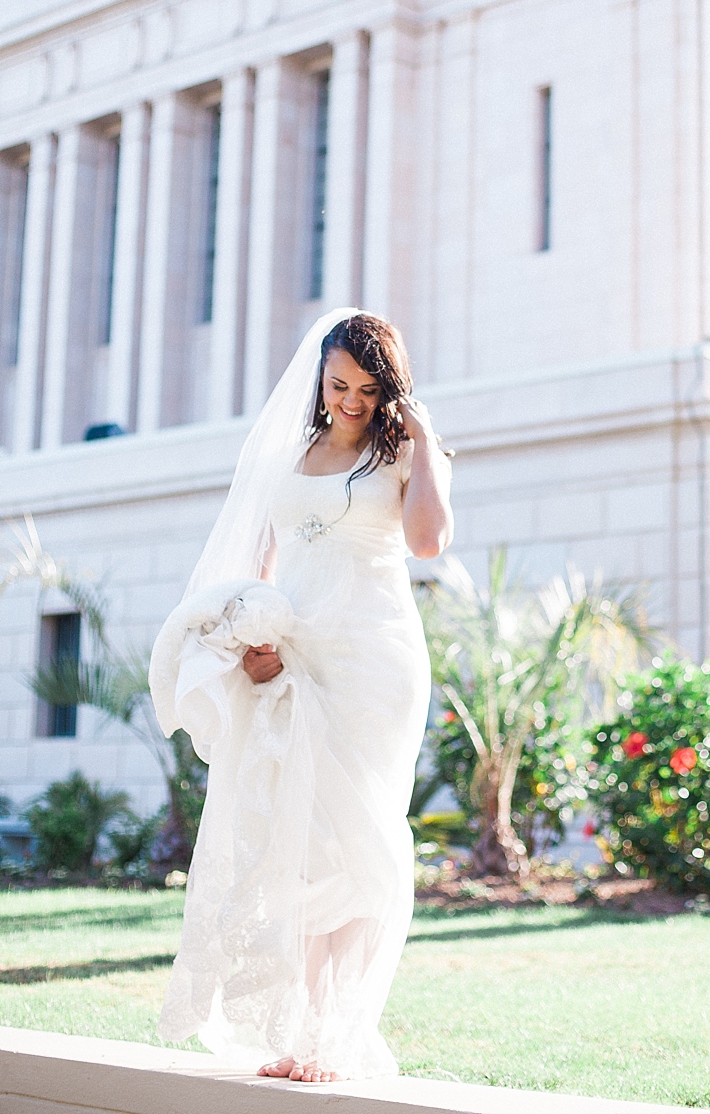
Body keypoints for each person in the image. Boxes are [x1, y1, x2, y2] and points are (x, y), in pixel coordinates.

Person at [149, 309, 453, 1082]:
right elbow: (261, 558)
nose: (350, 400)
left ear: (388, 388)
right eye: (338, 383)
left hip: (374, 662)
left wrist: (423, 445)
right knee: (302, 842)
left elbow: (427, 542)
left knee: (359, 842)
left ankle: (337, 1039)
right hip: (297, 658)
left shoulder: (404, 453)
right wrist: (254, 638)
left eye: (366, 387)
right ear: (320, 379)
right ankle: (304, 1033)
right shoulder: (291, 453)